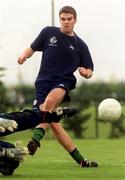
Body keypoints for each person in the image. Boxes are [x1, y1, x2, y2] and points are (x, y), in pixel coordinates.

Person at [18, 6, 98, 167]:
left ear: (75, 20)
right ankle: (81, 160)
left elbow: (90, 70)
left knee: (48, 104)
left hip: (63, 82)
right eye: (63, 19)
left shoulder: (80, 45)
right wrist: (23, 55)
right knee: (51, 121)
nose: (66, 22)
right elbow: (32, 48)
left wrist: (85, 72)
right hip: (42, 83)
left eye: (69, 19)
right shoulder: (48, 33)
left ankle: (35, 140)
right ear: (60, 19)